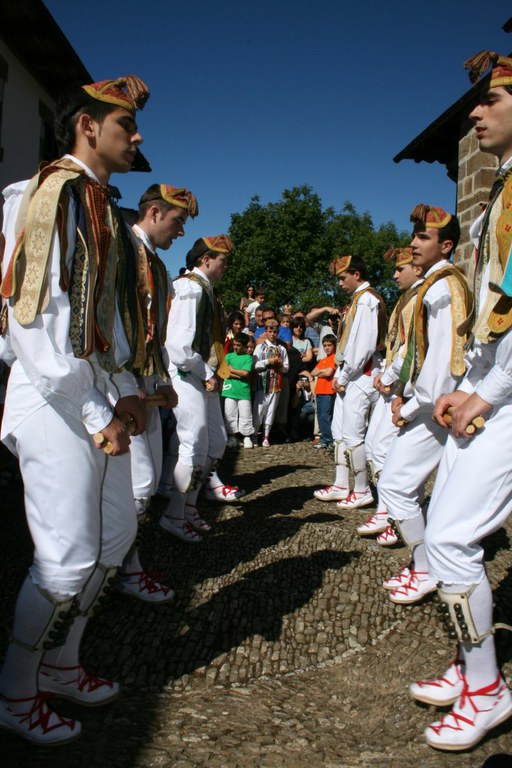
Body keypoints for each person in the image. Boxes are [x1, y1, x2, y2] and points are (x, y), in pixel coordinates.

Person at [0, 75, 150, 744]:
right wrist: (97, 412)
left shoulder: (98, 206)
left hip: (97, 394)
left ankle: (61, 663)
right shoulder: (47, 194)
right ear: (88, 125)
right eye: (125, 125)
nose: (137, 137)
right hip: (53, 397)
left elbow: (106, 319)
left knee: (113, 538)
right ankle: (14, 693)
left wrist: (128, 389)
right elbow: (32, 322)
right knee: (64, 559)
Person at [409, 50, 512, 752]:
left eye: (491, 100)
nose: (474, 112)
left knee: (448, 538)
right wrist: (470, 387)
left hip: (506, 393)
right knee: (445, 533)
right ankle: (470, 663)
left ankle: (486, 687)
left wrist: (487, 393)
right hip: (491, 386)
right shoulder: (502, 189)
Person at [376, 204, 471, 605]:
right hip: (426, 401)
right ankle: (424, 562)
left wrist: (410, 405)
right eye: (414, 236)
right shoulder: (433, 285)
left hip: (435, 407)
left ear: (446, 246)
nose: (413, 244)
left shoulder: (443, 288)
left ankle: (426, 567)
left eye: (423, 237)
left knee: (396, 485)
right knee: (403, 485)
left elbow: (444, 365)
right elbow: (417, 351)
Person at [118, 183, 198, 603]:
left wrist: (162, 379)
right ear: (153, 213)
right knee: (137, 485)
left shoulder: (156, 263)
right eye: (177, 221)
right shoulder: (122, 249)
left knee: (142, 485)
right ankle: (120, 569)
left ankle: (124, 566)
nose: (181, 231)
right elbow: (111, 323)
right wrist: (124, 384)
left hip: (145, 382)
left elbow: (156, 332)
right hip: (121, 385)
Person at [159, 235, 234, 542]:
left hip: (202, 374)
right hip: (186, 372)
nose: (226, 266)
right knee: (194, 444)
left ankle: (188, 508)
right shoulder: (190, 288)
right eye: (223, 261)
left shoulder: (204, 288)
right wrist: (206, 372)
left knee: (216, 442)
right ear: (206, 259)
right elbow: (178, 346)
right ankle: (174, 514)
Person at [358, 247, 423, 541]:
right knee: (374, 446)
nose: (395, 275)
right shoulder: (407, 298)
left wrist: (388, 377)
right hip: (396, 384)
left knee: (387, 450)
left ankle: (393, 515)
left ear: (416, 268)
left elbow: (412, 348)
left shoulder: (420, 298)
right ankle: (388, 509)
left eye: (400, 269)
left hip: (410, 387)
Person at [314, 256, 386, 508]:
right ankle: (341, 484)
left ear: (357, 274)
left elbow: (363, 345)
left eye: (343, 278)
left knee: (354, 435)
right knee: (340, 433)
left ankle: (363, 488)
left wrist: (343, 374)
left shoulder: (367, 300)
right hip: (349, 373)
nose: (340, 283)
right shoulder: (358, 300)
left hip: (361, 375)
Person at [252, 317, 289, 446]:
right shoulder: (260, 347)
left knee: (271, 409)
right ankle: (255, 434)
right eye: (270, 331)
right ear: (266, 332)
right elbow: (254, 364)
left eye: (275, 332)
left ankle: (266, 436)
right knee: (259, 408)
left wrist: (280, 365)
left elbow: (286, 367)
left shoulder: (281, 348)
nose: (273, 334)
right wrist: (268, 362)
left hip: (275, 383)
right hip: (262, 382)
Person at [221, 331, 254, 449]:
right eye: (234, 344)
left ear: (244, 346)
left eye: (238, 345)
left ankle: (246, 436)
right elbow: (224, 372)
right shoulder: (228, 356)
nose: (235, 347)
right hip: (229, 390)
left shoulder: (248, 358)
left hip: (243, 391)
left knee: (246, 414)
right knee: (230, 414)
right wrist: (237, 375)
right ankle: (232, 436)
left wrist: (232, 370)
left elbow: (245, 373)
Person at [307, 334, 336, 448]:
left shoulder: (334, 358)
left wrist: (321, 372)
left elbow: (329, 373)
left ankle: (330, 440)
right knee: (320, 417)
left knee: (325, 416)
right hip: (319, 391)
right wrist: (322, 371)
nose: (327, 348)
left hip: (328, 391)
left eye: (329, 345)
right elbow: (313, 372)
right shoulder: (323, 360)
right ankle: (324, 439)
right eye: (324, 345)